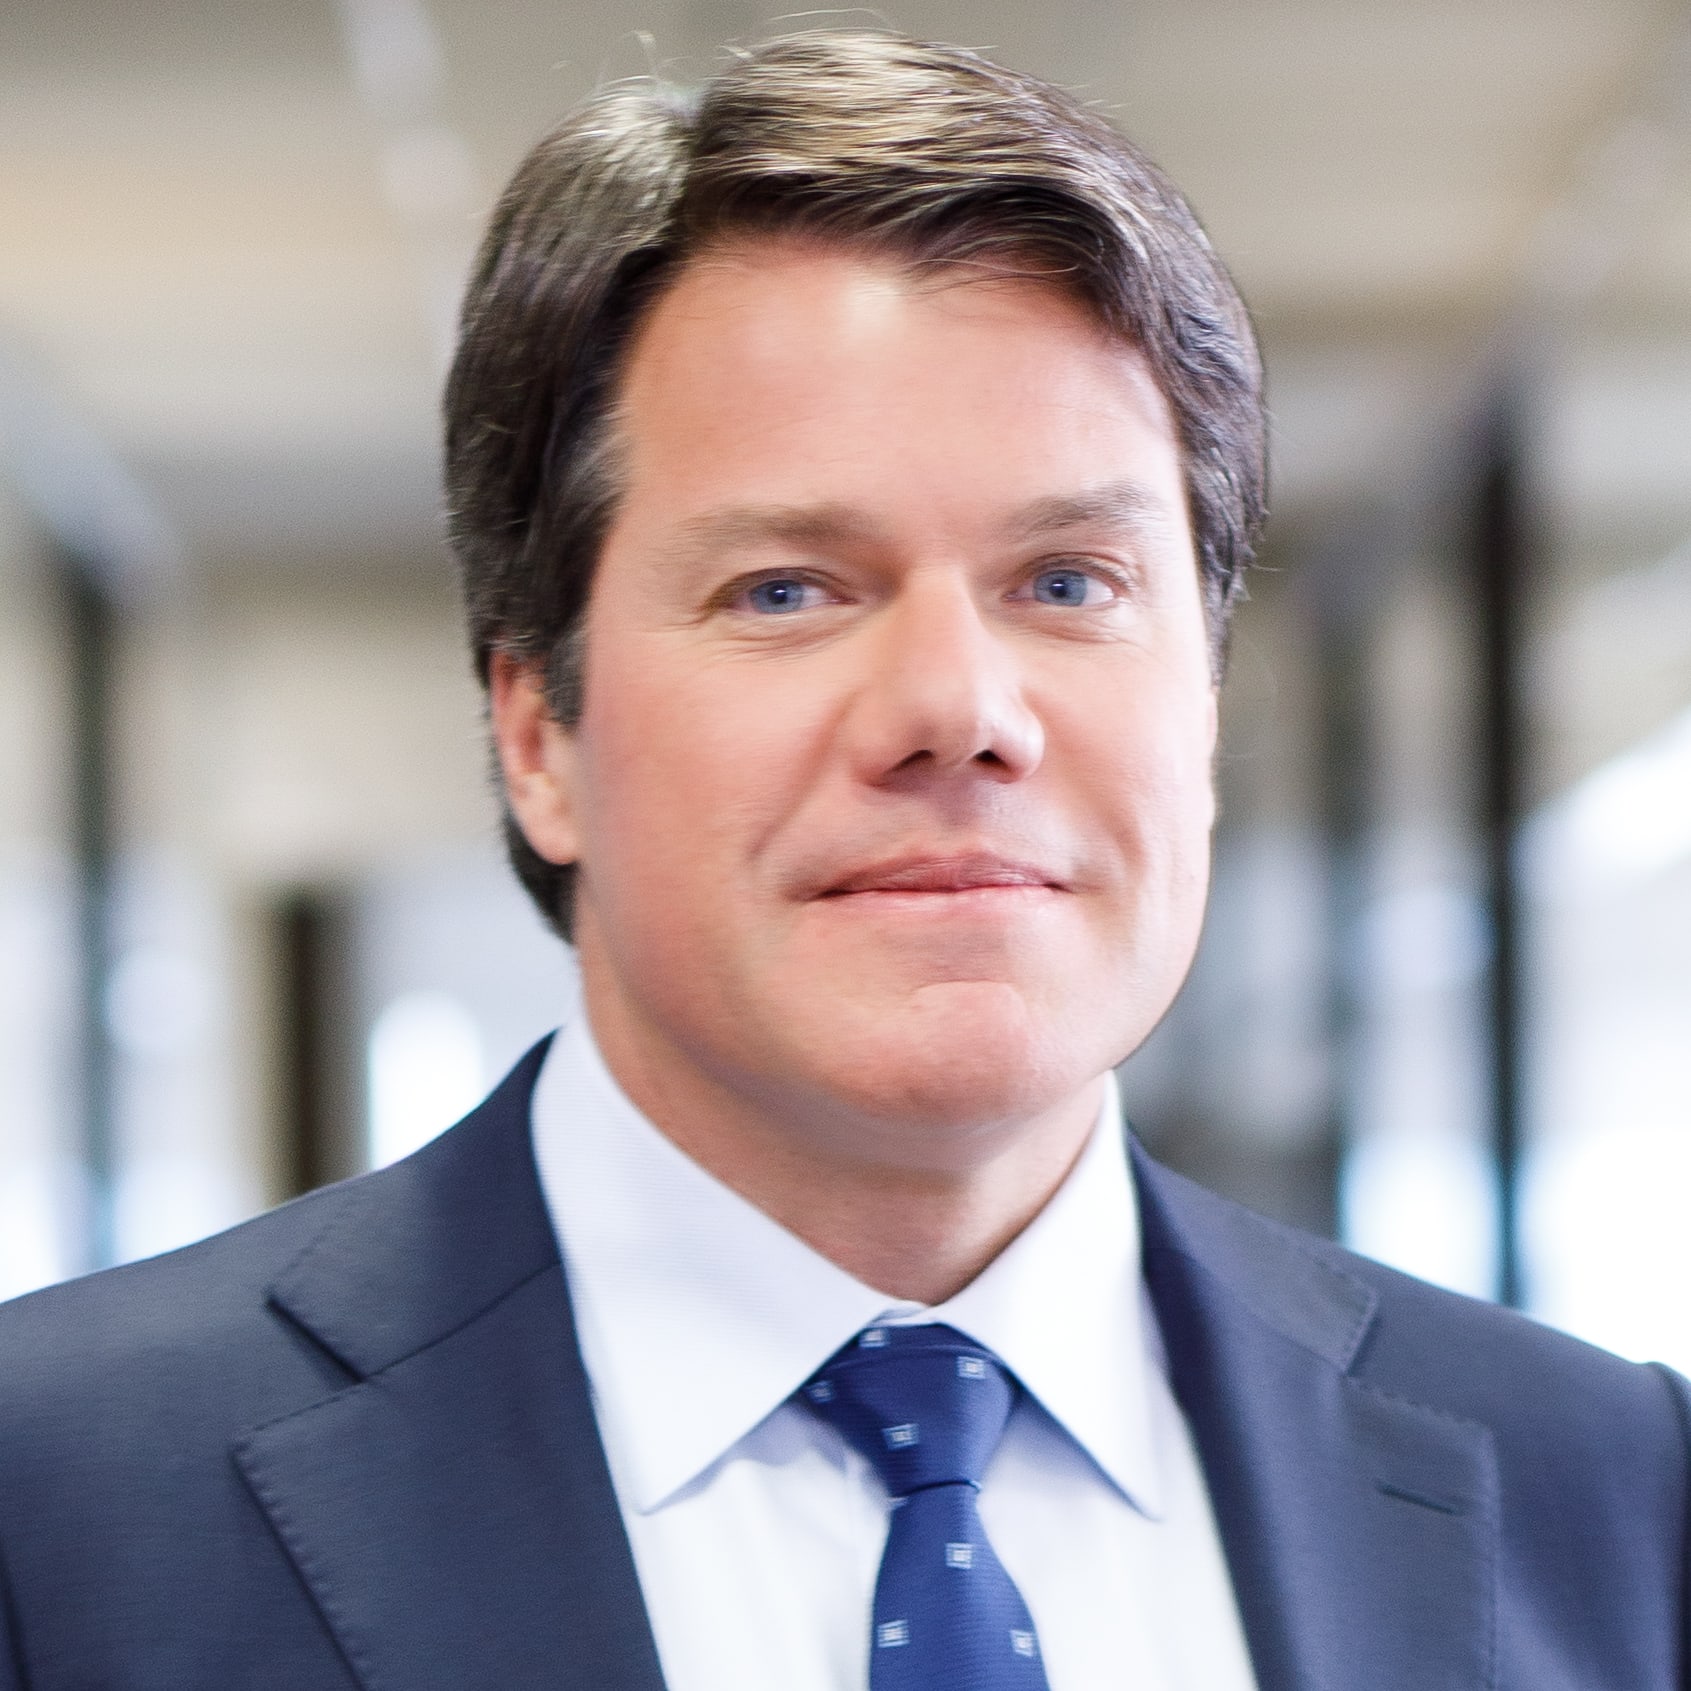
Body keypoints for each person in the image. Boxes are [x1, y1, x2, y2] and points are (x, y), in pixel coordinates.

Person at [0, 31, 1685, 1691]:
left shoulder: (1609, 1487)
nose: (961, 712)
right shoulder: (62, 1500)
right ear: (538, 739)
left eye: (1070, 584)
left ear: (1206, 701)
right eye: (789, 591)